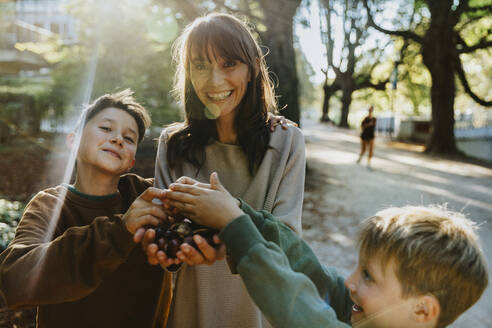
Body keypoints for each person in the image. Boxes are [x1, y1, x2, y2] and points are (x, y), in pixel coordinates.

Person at [144, 12, 306, 328]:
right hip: (194, 312)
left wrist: (225, 217)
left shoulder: (287, 141)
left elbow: (287, 243)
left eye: (229, 63)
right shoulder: (173, 144)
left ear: (253, 68)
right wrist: (166, 247)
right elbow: (166, 245)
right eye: (200, 65)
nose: (215, 80)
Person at [163, 172, 489, 328]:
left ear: (422, 311)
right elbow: (312, 273)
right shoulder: (373, 317)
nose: (350, 281)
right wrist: (245, 214)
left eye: (368, 277)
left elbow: (297, 306)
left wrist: (237, 227)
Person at [0, 90, 177, 328]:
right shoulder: (50, 205)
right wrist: (120, 231)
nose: (118, 139)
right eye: (106, 128)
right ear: (73, 141)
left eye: (129, 138)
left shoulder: (148, 196)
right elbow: (15, 279)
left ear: (131, 161)